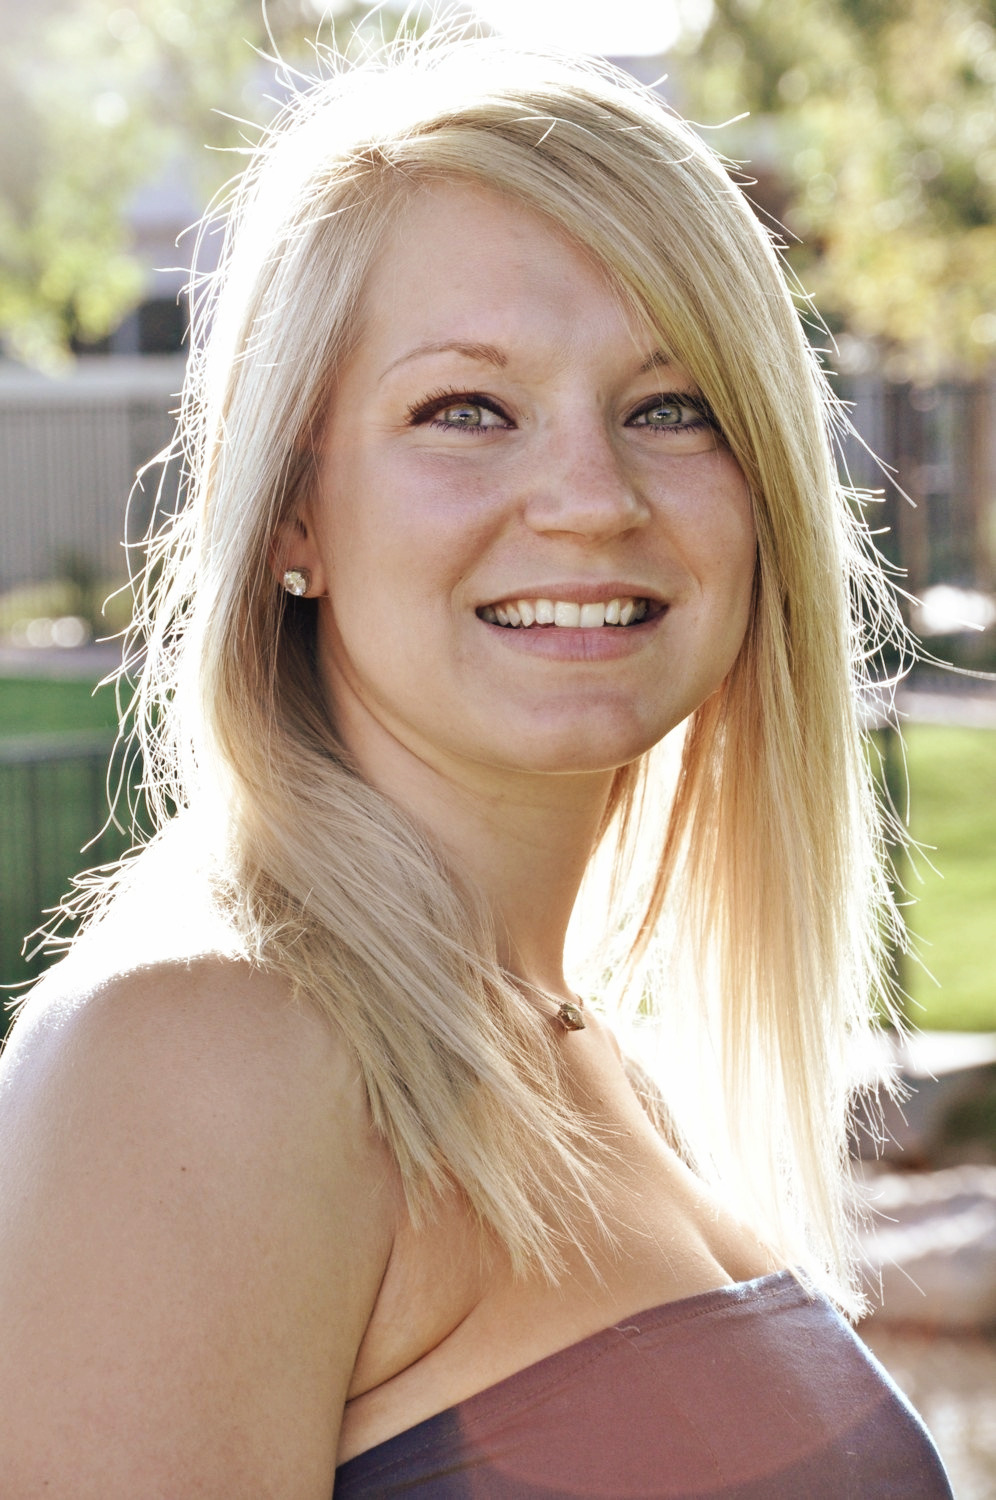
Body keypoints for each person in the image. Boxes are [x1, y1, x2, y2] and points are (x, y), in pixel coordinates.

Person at [0, 34, 952, 1498]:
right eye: (466, 410)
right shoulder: (203, 1054)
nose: (590, 499)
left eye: (673, 406)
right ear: (294, 513)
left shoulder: (582, 1055)